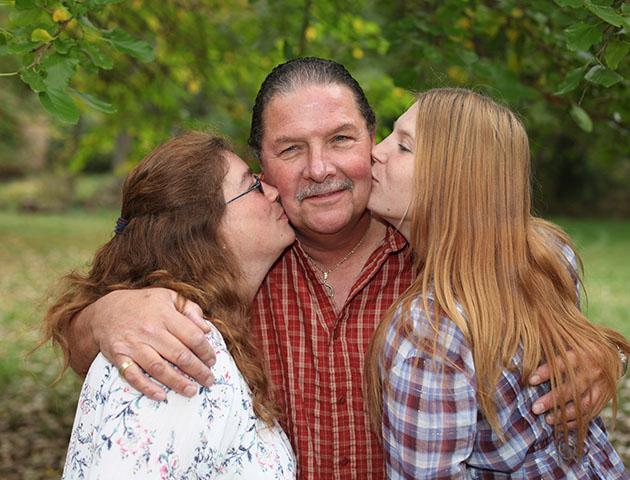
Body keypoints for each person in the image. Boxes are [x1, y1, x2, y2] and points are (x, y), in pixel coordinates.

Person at [45, 58, 622, 479]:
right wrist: (104, 315)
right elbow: (107, 366)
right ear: (262, 166)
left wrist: (597, 356)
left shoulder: (455, 263)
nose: (320, 168)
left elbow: (545, 319)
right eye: (291, 149)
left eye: (341, 139)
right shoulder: (233, 271)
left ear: (373, 143)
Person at [364, 88, 630, 478]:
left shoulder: (430, 333)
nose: (377, 150)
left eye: (404, 147)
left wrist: (612, 358)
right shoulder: (548, 251)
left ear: (452, 184)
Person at [41, 131, 296, 478]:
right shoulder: (176, 352)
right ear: (203, 229)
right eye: (252, 185)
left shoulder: (194, 332)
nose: (273, 191)